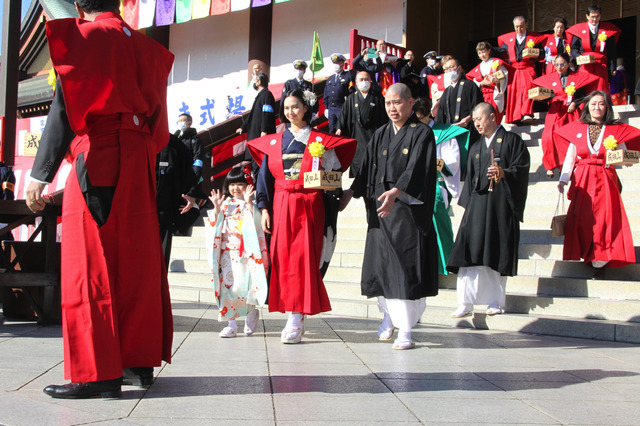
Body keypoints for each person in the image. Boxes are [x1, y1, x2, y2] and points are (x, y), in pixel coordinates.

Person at [25, 0, 174, 398]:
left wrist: (40, 175)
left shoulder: (86, 37)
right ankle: (136, 364)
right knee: (136, 261)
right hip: (140, 155)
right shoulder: (145, 46)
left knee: (88, 262)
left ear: (78, 5)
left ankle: (96, 374)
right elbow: (160, 125)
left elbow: (64, 106)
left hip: (100, 153)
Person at [247, 89, 356, 344]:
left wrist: (333, 188)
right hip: (281, 202)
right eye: (286, 108)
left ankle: (296, 316)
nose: (290, 112)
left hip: (309, 203)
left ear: (306, 108)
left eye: (295, 107)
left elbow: (334, 174)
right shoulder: (274, 141)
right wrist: (263, 208)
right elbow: (264, 179)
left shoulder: (319, 140)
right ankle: (292, 311)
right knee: (282, 257)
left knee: (304, 258)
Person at [340, 83, 439, 350]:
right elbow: (366, 167)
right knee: (381, 265)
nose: (392, 108)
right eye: (388, 104)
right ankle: (387, 316)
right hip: (379, 210)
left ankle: (405, 329)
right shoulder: (381, 133)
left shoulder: (422, 133)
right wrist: (352, 191)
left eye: (397, 103)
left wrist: (398, 190)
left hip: (405, 210)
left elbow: (421, 166)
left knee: (402, 268)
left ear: (410, 103)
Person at [447, 103, 530, 317]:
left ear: (492, 117)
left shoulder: (512, 141)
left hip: (499, 205)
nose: (476, 123)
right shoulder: (475, 146)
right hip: (477, 204)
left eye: (479, 119)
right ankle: (465, 302)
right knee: (468, 251)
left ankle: (495, 301)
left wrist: (504, 173)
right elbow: (472, 178)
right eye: (474, 120)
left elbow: (520, 170)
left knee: (495, 251)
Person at [555, 91, 640, 279]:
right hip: (583, 179)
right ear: (587, 107)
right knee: (583, 220)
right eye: (593, 104)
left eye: (601, 104)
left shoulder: (616, 130)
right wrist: (563, 179)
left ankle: (600, 261)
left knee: (603, 221)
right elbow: (571, 157)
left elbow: (622, 156)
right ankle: (588, 254)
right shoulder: (577, 128)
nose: (597, 108)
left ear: (607, 107)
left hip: (605, 178)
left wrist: (623, 159)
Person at [205, 166, 268, 338]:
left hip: (245, 253)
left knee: (245, 287)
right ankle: (231, 325)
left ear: (248, 185)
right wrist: (217, 209)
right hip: (227, 254)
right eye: (232, 184)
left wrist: (248, 203)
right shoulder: (225, 204)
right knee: (228, 288)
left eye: (240, 184)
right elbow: (216, 225)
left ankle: (251, 313)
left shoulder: (251, 205)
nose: (236, 188)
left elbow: (255, 225)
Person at [414, 97, 469, 275]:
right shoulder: (412, 131)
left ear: (429, 114)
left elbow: (451, 161)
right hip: (414, 185)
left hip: (435, 184)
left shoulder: (443, 133)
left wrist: (434, 163)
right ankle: (423, 266)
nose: (418, 122)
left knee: (439, 224)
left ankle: (447, 265)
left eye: (421, 118)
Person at [532, 52, 599, 178]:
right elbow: (546, 98)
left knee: (568, 138)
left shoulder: (577, 77)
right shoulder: (550, 78)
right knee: (547, 136)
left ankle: (568, 164)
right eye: (556, 64)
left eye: (562, 64)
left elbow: (584, 96)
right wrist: (540, 96)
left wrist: (575, 103)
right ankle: (550, 165)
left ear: (568, 64)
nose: (559, 67)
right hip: (555, 110)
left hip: (570, 111)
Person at [156, 133, 203, 268]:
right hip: (133, 200)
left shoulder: (172, 142)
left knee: (160, 243)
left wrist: (190, 193)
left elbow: (186, 169)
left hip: (163, 202)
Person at [336, 71, 388, 176]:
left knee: (373, 161)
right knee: (358, 160)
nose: (364, 82)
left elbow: (384, 117)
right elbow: (344, 115)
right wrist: (339, 127)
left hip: (374, 134)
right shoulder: (351, 98)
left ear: (370, 81)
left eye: (366, 79)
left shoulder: (378, 97)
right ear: (356, 82)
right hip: (357, 133)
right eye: (361, 80)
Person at [496, 16, 545, 124]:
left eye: (521, 26)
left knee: (528, 89)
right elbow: (501, 50)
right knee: (515, 92)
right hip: (515, 69)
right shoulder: (509, 39)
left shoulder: (534, 38)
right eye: (516, 27)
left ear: (526, 25)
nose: (519, 29)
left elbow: (542, 53)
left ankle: (527, 113)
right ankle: (515, 117)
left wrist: (533, 52)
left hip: (527, 67)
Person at [567, 5, 620, 93]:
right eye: (592, 17)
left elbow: (612, 50)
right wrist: (579, 57)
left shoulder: (607, 29)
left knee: (600, 90)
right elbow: (574, 48)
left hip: (601, 64)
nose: (595, 19)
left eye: (597, 16)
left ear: (600, 16)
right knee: (586, 90)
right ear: (587, 16)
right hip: (585, 65)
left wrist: (612, 67)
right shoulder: (579, 29)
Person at [436, 57, 483, 146]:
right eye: (446, 69)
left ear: (459, 68)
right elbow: (440, 114)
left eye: (451, 67)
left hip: (468, 130)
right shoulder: (447, 91)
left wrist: (468, 119)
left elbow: (477, 106)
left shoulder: (470, 85)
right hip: (451, 133)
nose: (449, 71)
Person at [466, 42, 512, 125]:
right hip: (484, 94)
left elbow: (504, 76)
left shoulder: (497, 62)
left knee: (494, 115)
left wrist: (497, 81)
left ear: (489, 51)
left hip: (494, 92)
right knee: (484, 117)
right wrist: (481, 83)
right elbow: (472, 80)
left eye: (484, 52)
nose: (482, 55)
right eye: (479, 53)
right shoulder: (479, 66)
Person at [237, 72, 276, 144]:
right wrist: (243, 127)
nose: (254, 83)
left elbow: (267, 114)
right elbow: (252, 115)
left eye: (255, 80)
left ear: (259, 82)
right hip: (254, 132)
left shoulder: (266, 95)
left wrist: (264, 130)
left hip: (260, 133)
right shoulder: (260, 96)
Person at [323, 53, 353, 133]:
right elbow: (326, 94)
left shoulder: (347, 76)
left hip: (342, 107)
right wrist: (326, 108)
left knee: (342, 129)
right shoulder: (330, 79)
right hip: (331, 108)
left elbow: (351, 92)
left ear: (342, 63)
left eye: (337, 63)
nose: (335, 65)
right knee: (332, 129)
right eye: (334, 63)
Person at [175, 113, 204, 182]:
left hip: (188, 175)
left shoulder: (195, 140)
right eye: (179, 121)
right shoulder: (174, 139)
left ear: (190, 123)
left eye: (183, 120)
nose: (180, 123)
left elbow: (198, 159)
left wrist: (195, 177)